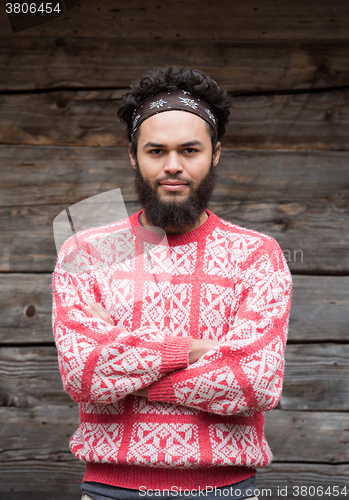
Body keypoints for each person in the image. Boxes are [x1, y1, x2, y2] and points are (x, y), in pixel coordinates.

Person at [52, 66, 292, 500]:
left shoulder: (259, 255)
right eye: (156, 151)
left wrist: (125, 362)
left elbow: (255, 382)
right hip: (110, 490)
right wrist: (193, 350)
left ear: (215, 153)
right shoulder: (84, 254)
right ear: (133, 155)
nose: (173, 166)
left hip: (226, 491)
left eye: (190, 150)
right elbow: (83, 374)